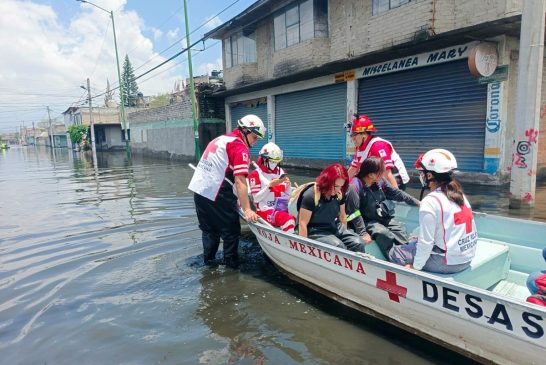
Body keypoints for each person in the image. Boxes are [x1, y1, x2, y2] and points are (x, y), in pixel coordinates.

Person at [188, 114, 265, 267]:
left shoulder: (221, 139)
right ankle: (232, 268)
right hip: (217, 192)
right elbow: (240, 180)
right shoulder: (239, 147)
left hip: (199, 190)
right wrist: (247, 209)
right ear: (245, 131)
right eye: (255, 137)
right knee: (231, 232)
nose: (255, 142)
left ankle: (209, 264)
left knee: (210, 231)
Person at [389, 149, 477, 274]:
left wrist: (416, 267)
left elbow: (426, 243)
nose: (422, 176)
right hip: (466, 258)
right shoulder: (459, 194)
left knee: (396, 252)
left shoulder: (430, 201)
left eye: (422, 173)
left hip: (447, 263)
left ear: (429, 175)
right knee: (415, 240)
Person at [345, 157, 419, 257]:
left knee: (398, 229)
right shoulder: (354, 186)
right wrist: (362, 232)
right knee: (383, 233)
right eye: (381, 172)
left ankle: (408, 254)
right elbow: (354, 212)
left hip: (380, 216)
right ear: (371, 174)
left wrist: (416, 202)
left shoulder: (380, 181)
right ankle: (393, 258)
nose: (384, 174)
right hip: (365, 221)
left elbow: (397, 193)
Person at [297, 163, 365, 253]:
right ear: (326, 181)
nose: (338, 189)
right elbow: (302, 223)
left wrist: (344, 232)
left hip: (334, 226)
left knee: (358, 242)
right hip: (314, 230)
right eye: (336, 186)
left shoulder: (339, 193)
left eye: (341, 186)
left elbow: (342, 216)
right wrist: (303, 248)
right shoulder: (310, 195)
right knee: (338, 245)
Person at [346, 114, 409, 189]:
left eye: (354, 135)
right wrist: (343, 185)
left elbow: (387, 173)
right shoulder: (360, 147)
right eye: (351, 135)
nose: (352, 139)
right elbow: (353, 168)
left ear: (364, 134)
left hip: (395, 179)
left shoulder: (378, 145)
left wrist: (397, 194)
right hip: (378, 177)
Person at [248, 142, 296, 232]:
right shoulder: (256, 174)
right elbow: (256, 199)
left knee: (299, 215)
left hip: (281, 208)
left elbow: (287, 196)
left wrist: (288, 186)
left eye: (276, 162)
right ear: (264, 159)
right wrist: (269, 186)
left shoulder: (281, 171)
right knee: (288, 220)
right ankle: (290, 242)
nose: (274, 164)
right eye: (272, 161)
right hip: (265, 210)